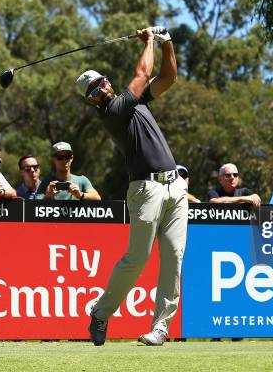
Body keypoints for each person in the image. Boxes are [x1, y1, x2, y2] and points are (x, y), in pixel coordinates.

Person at [76, 26, 186, 347]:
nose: (102, 87)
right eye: (95, 88)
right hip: (145, 189)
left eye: (103, 80)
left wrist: (167, 44)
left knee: (174, 256)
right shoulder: (112, 111)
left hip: (175, 186)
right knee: (137, 258)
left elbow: (167, 78)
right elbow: (143, 72)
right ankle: (101, 313)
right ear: (91, 99)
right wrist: (149, 40)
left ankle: (160, 328)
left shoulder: (135, 101)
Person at [35, 142, 101, 201]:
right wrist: (48, 195)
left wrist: (80, 195)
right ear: (54, 160)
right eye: (60, 157)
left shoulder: (82, 180)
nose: (64, 161)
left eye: (67, 157)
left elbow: (97, 198)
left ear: (71, 158)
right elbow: (34, 205)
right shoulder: (47, 182)